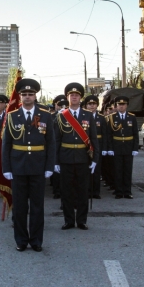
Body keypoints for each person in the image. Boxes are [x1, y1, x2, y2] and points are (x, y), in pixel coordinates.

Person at [2, 78, 55, 252]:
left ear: (35, 96)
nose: (27, 97)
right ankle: (21, 240)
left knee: (37, 206)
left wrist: (49, 166)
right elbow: (6, 144)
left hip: (38, 166)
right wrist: (7, 168)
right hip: (18, 166)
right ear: (20, 96)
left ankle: (36, 240)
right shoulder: (11, 116)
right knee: (19, 206)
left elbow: (51, 143)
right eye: (24, 94)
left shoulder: (45, 115)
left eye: (30, 94)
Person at [54, 83, 99, 230]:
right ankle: (68, 220)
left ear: (80, 98)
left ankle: (81, 220)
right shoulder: (61, 116)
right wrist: (56, 161)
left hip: (83, 158)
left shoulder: (88, 115)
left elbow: (93, 139)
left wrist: (95, 159)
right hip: (65, 158)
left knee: (82, 190)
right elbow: (56, 140)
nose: (74, 97)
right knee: (66, 191)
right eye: (71, 95)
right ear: (67, 97)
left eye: (77, 95)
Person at [107, 96, 139, 199]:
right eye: (119, 104)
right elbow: (109, 135)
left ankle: (127, 191)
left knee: (127, 170)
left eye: (123, 104)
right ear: (116, 105)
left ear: (127, 105)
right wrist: (110, 148)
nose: (121, 106)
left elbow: (135, 134)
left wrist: (135, 148)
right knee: (117, 170)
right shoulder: (112, 117)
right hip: (116, 146)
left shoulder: (132, 117)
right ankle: (118, 191)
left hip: (128, 147)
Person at [84, 95, 107, 199]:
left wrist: (105, 148)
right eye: (89, 104)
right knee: (86, 169)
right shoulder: (83, 117)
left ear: (97, 105)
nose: (91, 106)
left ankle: (96, 192)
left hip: (98, 145)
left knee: (97, 169)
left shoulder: (101, 118)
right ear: (86, 105)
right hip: (86, 145)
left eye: (93, 104)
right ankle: (87, 191)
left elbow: (105, 134)